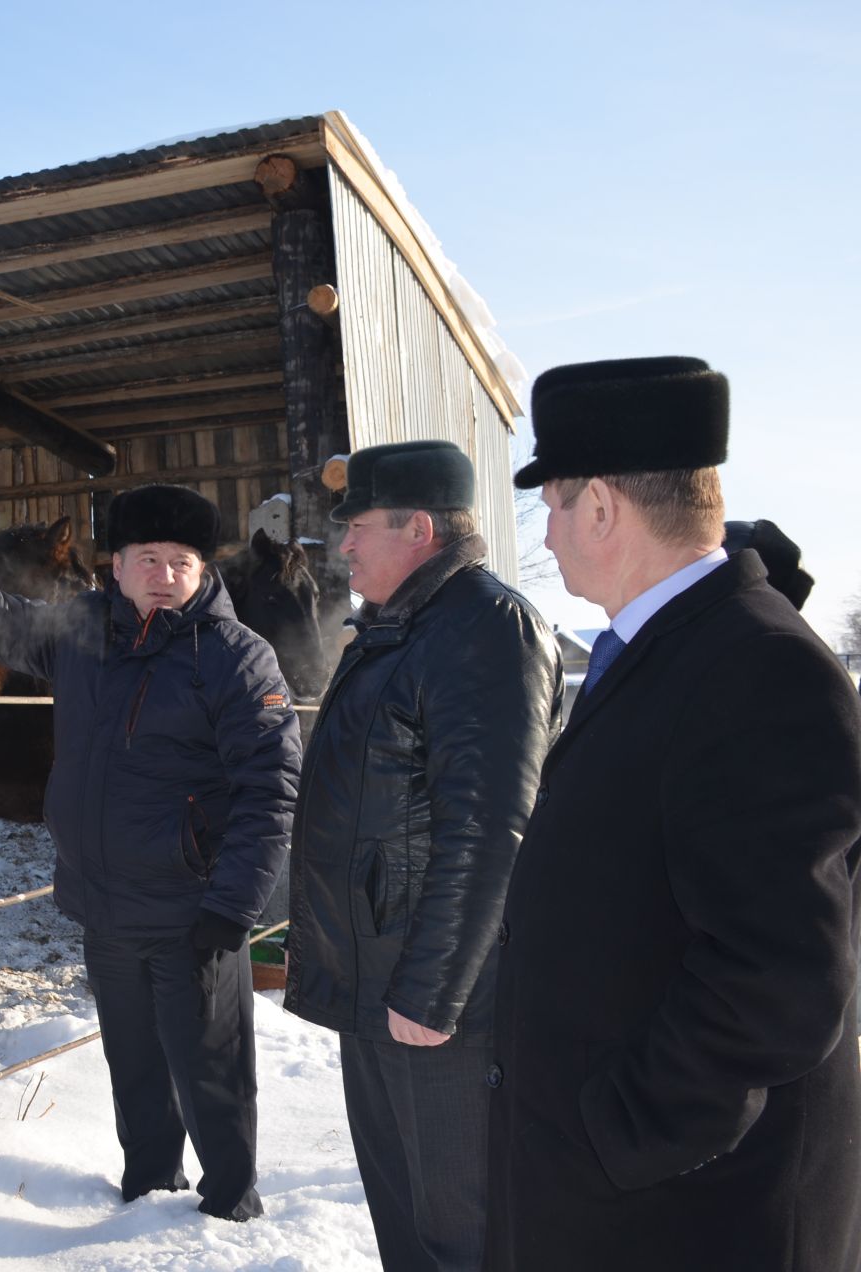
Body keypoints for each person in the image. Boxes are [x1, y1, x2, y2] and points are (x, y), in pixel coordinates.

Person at [487, 356, 861, 1271]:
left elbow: (782, 972)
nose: (549, 527)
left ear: (604, 507)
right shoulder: (664, 648)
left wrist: (619, 1134)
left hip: (689, 1213)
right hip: (633, 1195)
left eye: (556, 501)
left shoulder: (757, 667)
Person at [0, 480, 300, 1221]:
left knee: (211, 1072)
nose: (164, 574)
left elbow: (270, 791)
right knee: (135, 1069)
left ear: (204, 570)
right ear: (115, 565)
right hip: (105, 907)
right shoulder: (84, 635)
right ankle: (145, 1196)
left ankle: (231, 1210)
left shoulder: (238, 658)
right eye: (148, 557)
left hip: (192, 908)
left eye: (181, 561)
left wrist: (234, 906)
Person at [281, 440, 561, 1271]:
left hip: (437, 1004)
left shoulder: (485, 627)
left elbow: (489, 828)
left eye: (358, 526)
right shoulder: (400, 630)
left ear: (421, 529)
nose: (345, 547)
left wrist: (433, 993)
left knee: (460, 1233)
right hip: (379, 986)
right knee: (403, 1218)